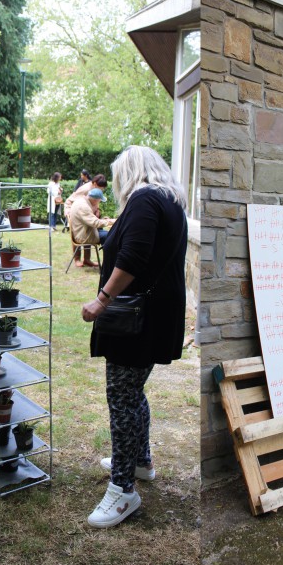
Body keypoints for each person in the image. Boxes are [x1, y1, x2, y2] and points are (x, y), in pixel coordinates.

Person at [81, 145, 187, 528]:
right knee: (133, 392)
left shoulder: (144, 199)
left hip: (137, 319)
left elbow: (134, 257)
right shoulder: (170, 200)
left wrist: (102, 300)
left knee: (122, 399)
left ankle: (123, 491)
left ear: (130, 172)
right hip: (156, 315)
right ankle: (140, 461)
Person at [64, 173, 109, 263]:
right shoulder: (85, 189)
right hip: (77, 213)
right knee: (81, 232)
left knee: (92, 231)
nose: (102, 189)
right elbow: (70, 200)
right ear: (95, 184)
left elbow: (95, 201)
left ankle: (87, 260)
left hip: (87, 214)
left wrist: (97, 210)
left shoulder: (95, 190)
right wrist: (68, 213)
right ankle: (77, 259)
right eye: (101, 187)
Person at [70, 189, 114, 268]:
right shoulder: (83, 207)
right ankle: (108, 265)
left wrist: (104, 220)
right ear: (95, 200)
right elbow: (95, 223)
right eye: (99, 201)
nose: (99, 203)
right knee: (111, 236)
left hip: (83, 231)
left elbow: (92, 220)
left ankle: (105, 264)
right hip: (83, 235)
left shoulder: (81, 201)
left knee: (109, 234)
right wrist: (112, 221)